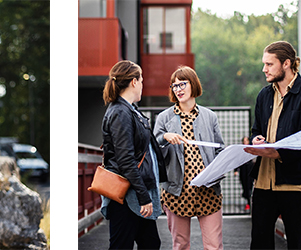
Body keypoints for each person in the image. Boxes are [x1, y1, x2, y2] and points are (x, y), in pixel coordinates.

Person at [244, 41, 301, 249]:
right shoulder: (263, 95)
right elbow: (256, 129)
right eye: (264, 64)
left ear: (286, 63)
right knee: (259, 244)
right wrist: (257, 139)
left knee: (296, 244)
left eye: (269, 64)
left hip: (296, 183)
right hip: (263, 183)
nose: (264, 69)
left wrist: (277, 153)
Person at [152, 66, 224, 250]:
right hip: (177, 191)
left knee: (214, 246)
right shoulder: (163, 118)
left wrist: (218, 169)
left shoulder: (210, 116)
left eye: (182, 84)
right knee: (181, 245)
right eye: (174, 86)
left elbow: (219, 149)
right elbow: (154, 152)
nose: (178, 89)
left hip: (208, 190)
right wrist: (164, 138)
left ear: (193, 85)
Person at [100, 60, 165, 249]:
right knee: (122, 245)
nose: (143, 84)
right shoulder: (121, 112)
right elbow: (126, 159)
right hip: (127, 195)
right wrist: (144, 197)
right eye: (142, 79)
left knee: (151, 243)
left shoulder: (130, 110)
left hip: (133, 191)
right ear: (134, 82)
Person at [236, 136, 255, 210]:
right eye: (244, 141)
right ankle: (248, 202)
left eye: (246, 140)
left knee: (250, 185)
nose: (245, 142)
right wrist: (236, 170)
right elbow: (238, 160)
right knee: (244, 185)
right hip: (243, 169)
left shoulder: (252, 149)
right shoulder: (241, 150)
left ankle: (250, 202)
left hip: (250, 169)